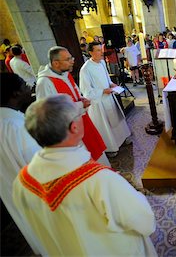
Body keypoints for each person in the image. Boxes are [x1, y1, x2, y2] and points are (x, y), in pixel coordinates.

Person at [13, 94, 157, 256]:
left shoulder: (22, 180)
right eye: (78, 114)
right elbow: (143, 219)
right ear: (74, 127)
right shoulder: (98, 180)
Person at [36, 46, 110, 166]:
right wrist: (81, 104)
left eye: (71, 57)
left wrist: (81, 99)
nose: (72, 61)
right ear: (55, 63)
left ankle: (105, 176)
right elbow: (50, 112)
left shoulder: (65, 74)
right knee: (83, 160)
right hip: (68, 128)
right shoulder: (45, 83)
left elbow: (75, 92)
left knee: (96, 151)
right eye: (68, 59)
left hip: (82, 120)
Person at [0, 73, 44, 255]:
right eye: (25, 85)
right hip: (38, 198)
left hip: (12, 195)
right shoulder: (18, 127)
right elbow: (41, 169)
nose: (29, 88)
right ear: (15, 93)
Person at [80, 42, 132, 157]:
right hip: (98, 102)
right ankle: (111, 148)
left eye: (100, 49)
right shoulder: (85, 69)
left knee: (115, 120)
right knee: (106, 126)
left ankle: (121, 139)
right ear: (90, 53)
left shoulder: (102, 62)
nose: (101, 52)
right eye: (98, 50)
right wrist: (103, 91)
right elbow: (86, 91)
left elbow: (106, 78)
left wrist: (111, 84)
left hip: (109, 97)